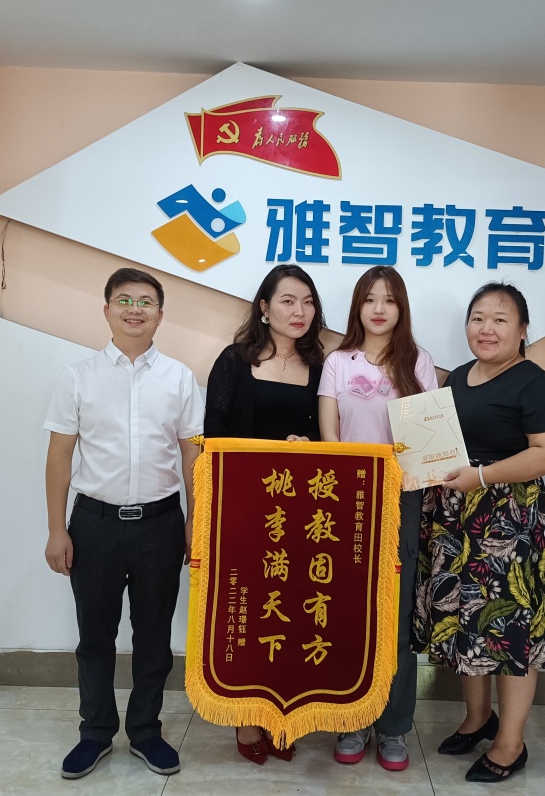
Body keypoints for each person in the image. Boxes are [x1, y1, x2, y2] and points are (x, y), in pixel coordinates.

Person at [43, 267, 204, 780]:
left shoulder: (179, 378)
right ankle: (94, 733)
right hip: (94, 523)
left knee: (154, 636)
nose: (135, 309)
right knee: (95, 636)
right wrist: (56, 529)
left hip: (160, 523)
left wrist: (194, 524)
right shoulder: (78, 376)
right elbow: (59, 456)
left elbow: (192, 456)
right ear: (107, 309)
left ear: (160, 313)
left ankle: (146, 731)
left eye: (146, 301)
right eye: (125, 300)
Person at [413, 282, 545, 783]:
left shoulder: (536, 384)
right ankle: (478, 719)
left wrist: (481, 476)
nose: (487, 328)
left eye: (500, 319)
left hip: (507, 519)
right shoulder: (458, 377)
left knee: (508, 626)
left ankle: (510, 742)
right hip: (455, 514)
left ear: (523, 329)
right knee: (464, 619)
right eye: (478, 318)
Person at [317, 266, 438, 772]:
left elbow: (427, 441)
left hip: (401, 500)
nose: (380, 308)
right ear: (358, 307)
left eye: (389, 299)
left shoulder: (418, 361)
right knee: (346, 612)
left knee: (395, 616)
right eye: (370, 299)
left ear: (401, 307)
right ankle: (350, 719)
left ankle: (392, 727)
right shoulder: (337, 362)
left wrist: (396, 481)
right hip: (346, 499)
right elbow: (330, 438)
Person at [204, 263, 326, 763]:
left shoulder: (321, 365)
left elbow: (329, 435)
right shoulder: (234, 361)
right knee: (248, 612)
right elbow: (213, 437)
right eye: (288, 301)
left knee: (291, 612)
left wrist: (309, 444)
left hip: (300, 514)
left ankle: (282, 714)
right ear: (264, 307)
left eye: (308, 302)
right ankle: (246, 718)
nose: (299, 311)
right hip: (245, 508)